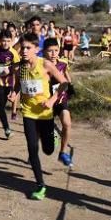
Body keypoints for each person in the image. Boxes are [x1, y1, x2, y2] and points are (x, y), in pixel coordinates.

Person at [17, 33, 68, 199]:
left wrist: (52, 100)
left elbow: (64, 83)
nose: (24, 51)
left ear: (36, 49)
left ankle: (53, 136)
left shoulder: (45, 64)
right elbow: (21, 84)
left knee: (48, 150)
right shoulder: (21, 67)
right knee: (32, 149)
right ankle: (40, 185)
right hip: (28, 112)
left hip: (45, 114)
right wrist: (14, 93)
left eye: (28, 48)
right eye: (22, 47)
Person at [43, 38, 74, 167]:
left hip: (61, 99)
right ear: (44, 51)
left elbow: (66, 75)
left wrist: (70, 86)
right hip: (46, 102)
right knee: (44, 132)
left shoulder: (63, 63)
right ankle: (32, 152)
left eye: (56, 50)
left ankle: (63, 152)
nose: (53, 53)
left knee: (67, 124)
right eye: (50, 51)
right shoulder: (41, 65)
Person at [0, 27, 20, 139]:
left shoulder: (14, 53)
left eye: (8, 41)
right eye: (3, 40)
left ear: (11, 41)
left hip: (8, 83)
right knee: (1, 107)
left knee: (2, 103)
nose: (5, 43)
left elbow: (16, 71)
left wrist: (14, 87)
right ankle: (7, 130)